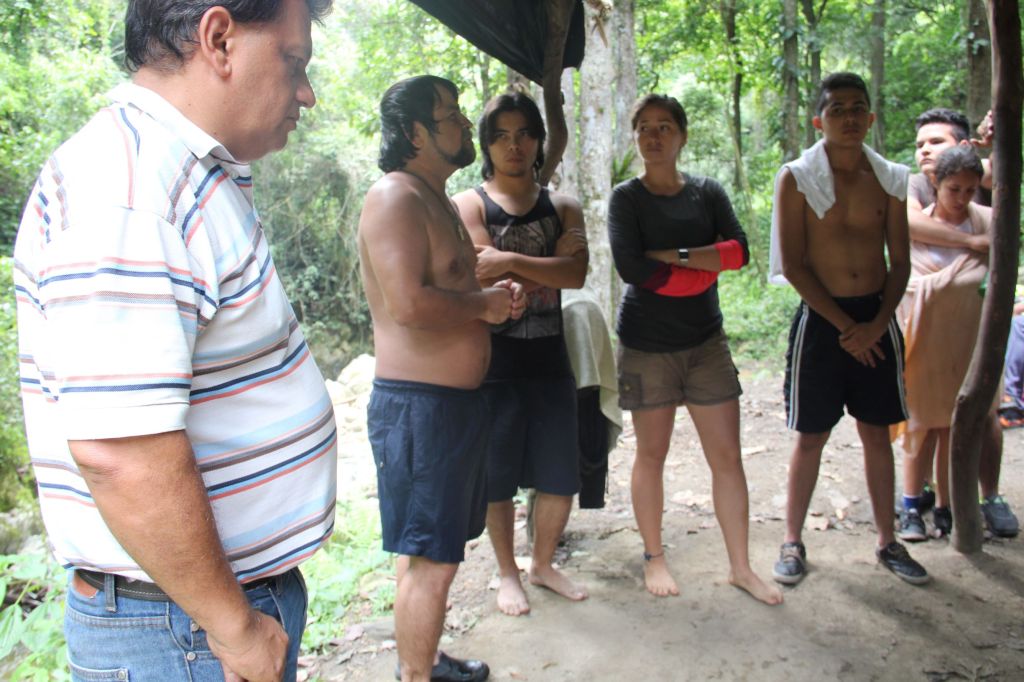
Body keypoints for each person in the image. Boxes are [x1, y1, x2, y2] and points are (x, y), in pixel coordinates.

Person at [12, 1, 337, 680]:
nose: (305, 92)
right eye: (293, 61)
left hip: (196, 616)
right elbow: (121, 454)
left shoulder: (178, 173)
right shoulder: (130, 195)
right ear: (219, 39)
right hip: (183, 627)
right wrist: (234, 627)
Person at [358, 75, 525, 682]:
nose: (462, 124)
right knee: (432, 560)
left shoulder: (437, 201)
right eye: (449, 115)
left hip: (451, 409)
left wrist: (492, 297)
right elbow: (407, 304)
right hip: (420, 411)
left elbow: (451, 287)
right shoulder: (394, 198)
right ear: (416, 133)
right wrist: (483, 306)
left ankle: (423, 660)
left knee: (427, 550)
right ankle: (415, 675)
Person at [608, 94, 782, 605]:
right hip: (646, 346)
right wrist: (703, 267)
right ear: (635, 137)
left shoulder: (707, 192)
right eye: (644, 127)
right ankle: (654, 557)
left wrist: (675, 255)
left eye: (664, 126)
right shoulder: (626, 198)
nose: (654, 135)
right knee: (652, 454)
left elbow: (740, 252)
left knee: (726, 457)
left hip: (706, 342)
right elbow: (633, 268)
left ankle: (741, 567)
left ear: (682, 136)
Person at [772, 72, 928, 586]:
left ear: (871, 117)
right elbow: (794, 265)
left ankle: (887, 541)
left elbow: (900, 262)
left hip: (877, 316)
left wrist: (876, 326)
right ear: (819, 121)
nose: (849, 117)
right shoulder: (797, 178)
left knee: (876, 433)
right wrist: (848, 328)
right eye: (837, 109)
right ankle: (792, 540)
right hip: (823, 321)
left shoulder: (890, 178)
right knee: (811, 435)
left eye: (858, 107)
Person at [452, 91, 589, 617]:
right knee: (498, 476)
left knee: (560, 473)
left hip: (551, 358)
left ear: (538, 141)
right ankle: (507, 571)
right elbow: (480, 275)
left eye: (525, 134)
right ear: (487, 144)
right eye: (502, 136)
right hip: (494, 362)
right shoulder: (470, 204)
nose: (514, 145)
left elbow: (575, 274)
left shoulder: (563, 205)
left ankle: (543, 564)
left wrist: (508, 261)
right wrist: (547, 265)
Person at [897, 108, 1018, 540]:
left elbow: (1005, 177)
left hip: (973, 336)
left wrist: (996, 141)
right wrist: (972, 243)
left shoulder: (984, 197)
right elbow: (908, 230)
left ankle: (980, 499)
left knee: (977, 419)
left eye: (935, 142)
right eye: (920, 144)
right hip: (927, 337)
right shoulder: (914, 188)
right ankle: (918, 500)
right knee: (924, 424)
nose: (925, 151)